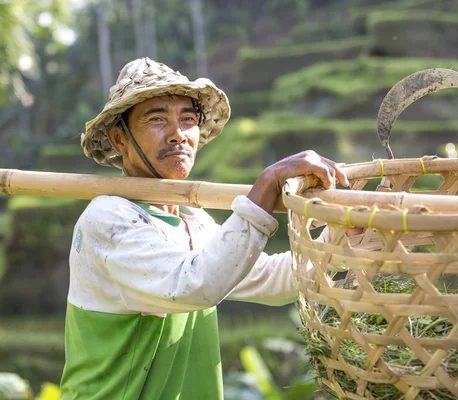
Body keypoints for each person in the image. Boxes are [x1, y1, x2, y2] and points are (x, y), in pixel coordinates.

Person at [59, 57, 350, 399]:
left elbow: (273, 279)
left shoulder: (191, 220)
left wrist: (341, 238)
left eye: (188, 119)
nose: (178, 135)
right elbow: (196, 284)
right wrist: (268, 183)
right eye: (156, 119)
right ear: (119, 140)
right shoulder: (108, 219)